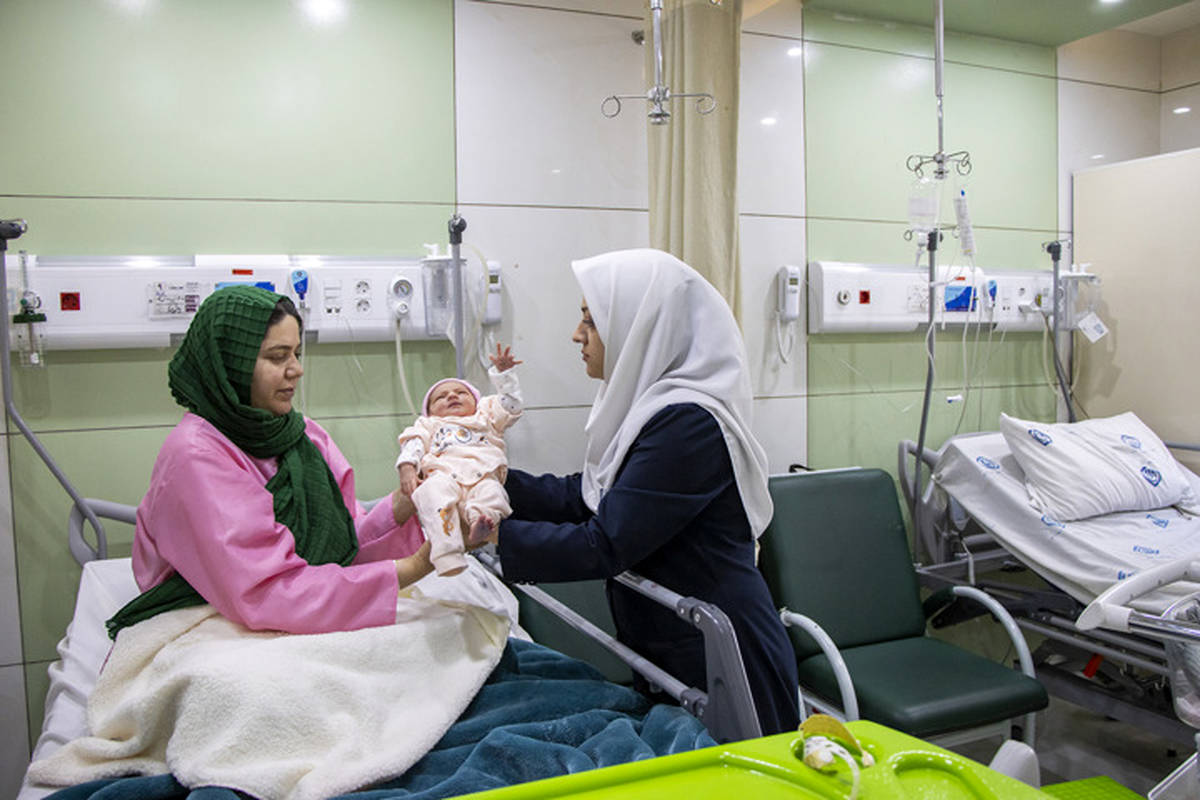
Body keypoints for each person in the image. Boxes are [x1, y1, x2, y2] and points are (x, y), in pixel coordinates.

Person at [493, 248, 801, 736]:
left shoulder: (689, 424)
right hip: (671, 644)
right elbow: (588, 496)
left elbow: (606, 542)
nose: (577, 335)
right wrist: (491, 480)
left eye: (591, 321)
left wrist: (490, 538)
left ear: (640, 329)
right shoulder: (649, 409)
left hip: (719, 653)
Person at [106, 285, 434, 638]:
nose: (296, 370)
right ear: (231, 364)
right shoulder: (195, 456)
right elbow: (266, 590)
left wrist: (408, 502)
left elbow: (344, 547)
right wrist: (415, 567)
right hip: (211, 616)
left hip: (302, 603)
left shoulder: (304, 436)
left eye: (296, 354)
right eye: (278, 357)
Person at [396, 345, 523, 577]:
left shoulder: (485, 417)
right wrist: (407, 467)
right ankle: (447, 555)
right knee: (430, 494)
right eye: (441, 397)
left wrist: (504, 375)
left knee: (494, 494)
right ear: (430, 412)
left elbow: (511, 405)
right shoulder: (429, 425)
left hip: (483, 476)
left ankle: (481, 523)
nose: (452, 396)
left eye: (461, 393)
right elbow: (413, 443)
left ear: (476, 401)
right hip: (444, 476)